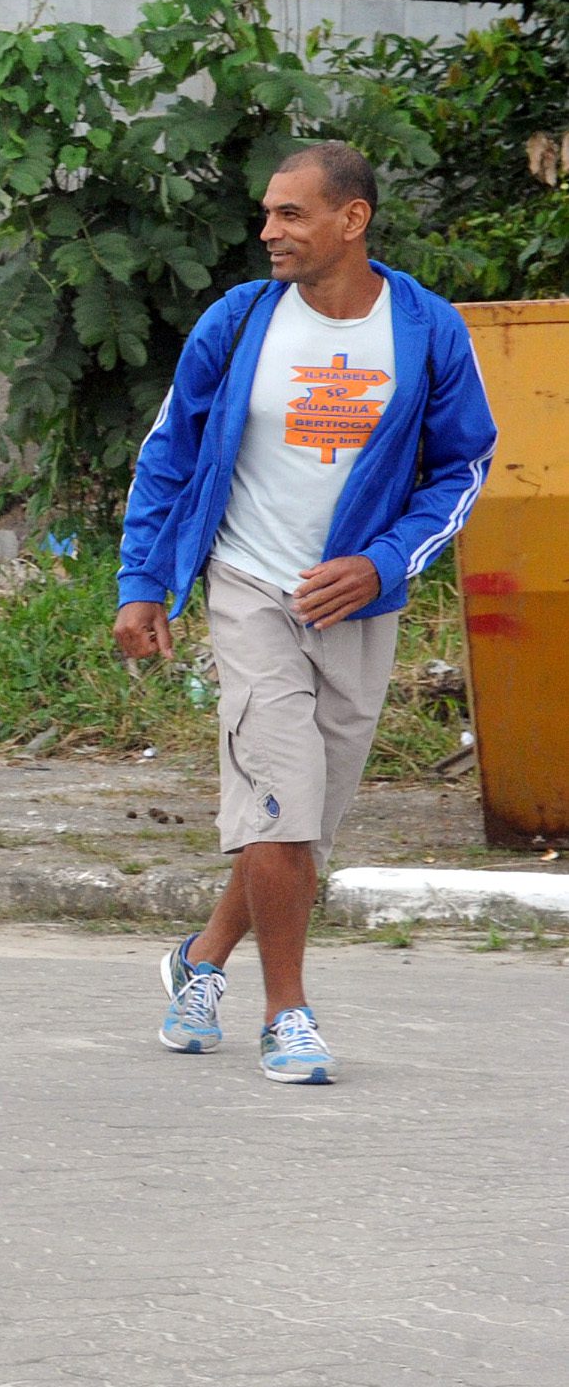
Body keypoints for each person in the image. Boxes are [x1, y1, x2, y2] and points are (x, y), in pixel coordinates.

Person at [117, 141, 496, 1085]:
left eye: (290, 214)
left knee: (297, 824)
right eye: (268, 213)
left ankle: (199, 962)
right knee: (279, 806)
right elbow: (169, 453)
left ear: (351, 219)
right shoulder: (238, 322)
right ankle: (286, 1014)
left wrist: (379, 564)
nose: (268, 232)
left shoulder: (424, 328)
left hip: (358, 605)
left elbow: (463, 465)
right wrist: (143, 581)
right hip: (250, 587)